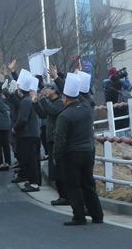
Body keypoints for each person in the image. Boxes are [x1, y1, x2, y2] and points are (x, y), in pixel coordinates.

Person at [53, 74, 103, 226]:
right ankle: (97, 215)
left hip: (72, 154)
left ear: (65, 98)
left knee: (73, 186)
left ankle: (79, 216)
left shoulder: (64, 116)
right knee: (88, 184)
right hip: (88, 151)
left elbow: (60, 140)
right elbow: (82, 96)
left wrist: (56, 157)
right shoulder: (87, 108)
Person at [36, 82, 67, 205]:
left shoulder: (60, 102)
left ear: (54, 90)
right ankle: (62, 196)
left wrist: (42, 99)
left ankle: (65, 196)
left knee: (59, 169)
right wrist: (35, 103)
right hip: (51, 139)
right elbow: (44, 114)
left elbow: (52, 111)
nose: (45, 90)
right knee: (55, 170)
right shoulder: (52, 103)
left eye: (47, 88)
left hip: (57, 140)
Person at [11, 72, 41, 192]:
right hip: (32, 134)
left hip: (27, 135)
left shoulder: (25, 101)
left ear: (20, 90)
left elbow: (23, 119)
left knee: (30, 159)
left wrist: (15, 128)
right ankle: (33, 181)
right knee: (31, 159)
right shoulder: (28, 100)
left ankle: (34, 183)